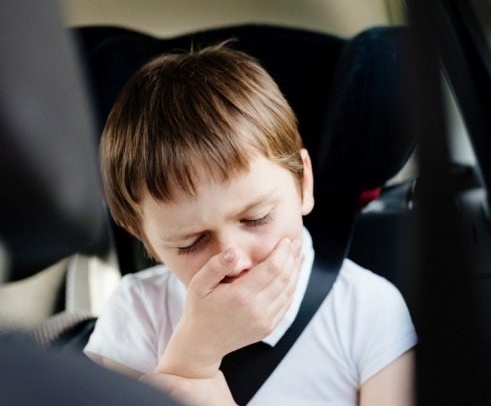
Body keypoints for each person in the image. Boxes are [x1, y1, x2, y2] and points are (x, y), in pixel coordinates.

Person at [83, 41, 417, 405]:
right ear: (142, 237)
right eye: (190, 242)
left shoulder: (369, 311)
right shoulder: (136, 312)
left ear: (303, 184)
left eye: (256, 218)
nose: (234, 258)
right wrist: (193, 356)